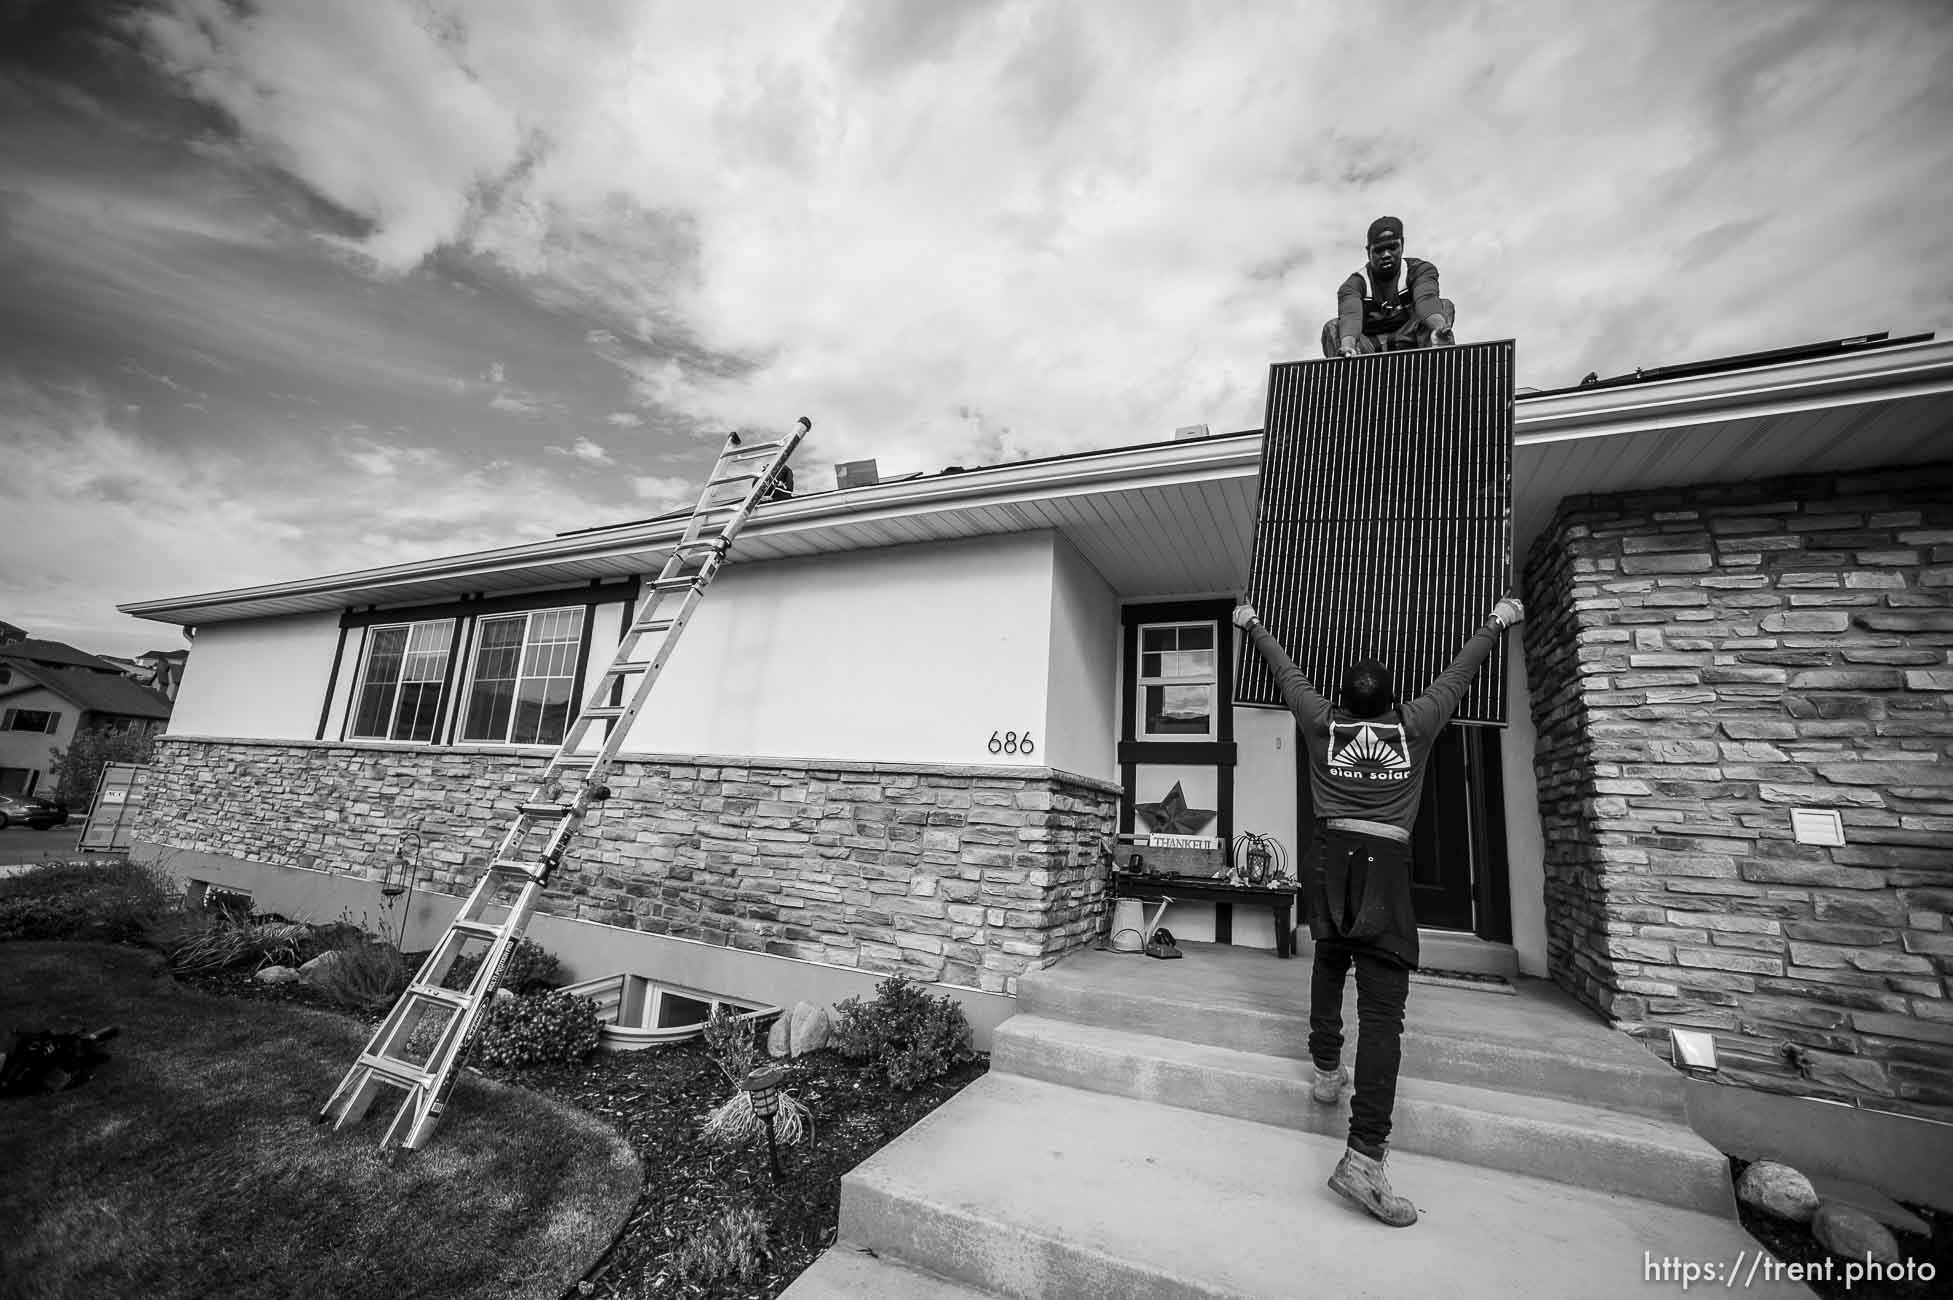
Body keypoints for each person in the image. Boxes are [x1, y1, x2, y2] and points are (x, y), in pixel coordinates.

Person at [1232, 594, 1525, 1227]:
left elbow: (1286, 672)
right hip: (1385, 869)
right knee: (1384, 1014)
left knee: (1328, 963)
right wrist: (1498, 619)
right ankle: (1364, 1158)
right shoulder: (1415, 724)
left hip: (1328, 858)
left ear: (1342, 699)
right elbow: (1460, 671)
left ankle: (1326, 1069)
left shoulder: (1319, 722)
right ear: (1391, 701)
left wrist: (1251, 622)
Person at [1320, 216, 1457, 358]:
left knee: (1444, 306)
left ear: (1402, 245)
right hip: (1370, 350)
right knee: (1333, 327)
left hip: (1412, 342)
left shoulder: (1420, 270)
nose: (1386, 255)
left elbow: (1426, 300)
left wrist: (1439, 328)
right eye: (1378, 251)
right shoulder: (1353, 285)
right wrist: (1348, 346)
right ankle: (1350, 373)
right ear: (1368, 252)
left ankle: (1437, 365)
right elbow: (1350, 317)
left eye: (1392, 247)